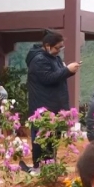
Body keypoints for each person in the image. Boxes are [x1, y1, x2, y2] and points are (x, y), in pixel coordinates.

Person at [25, 30, 79, 166]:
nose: (59, 50)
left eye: (61, 47)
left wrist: (68, 71)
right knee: (42, 139)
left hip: (54, 105)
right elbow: (48, 78)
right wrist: (67, 71)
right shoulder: (39, 60)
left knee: (52, 140)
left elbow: (57, 75)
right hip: (43, 106)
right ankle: (39, 167)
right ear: (47, 45)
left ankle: (49, 166)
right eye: (57, 47)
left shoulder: (54, 58)